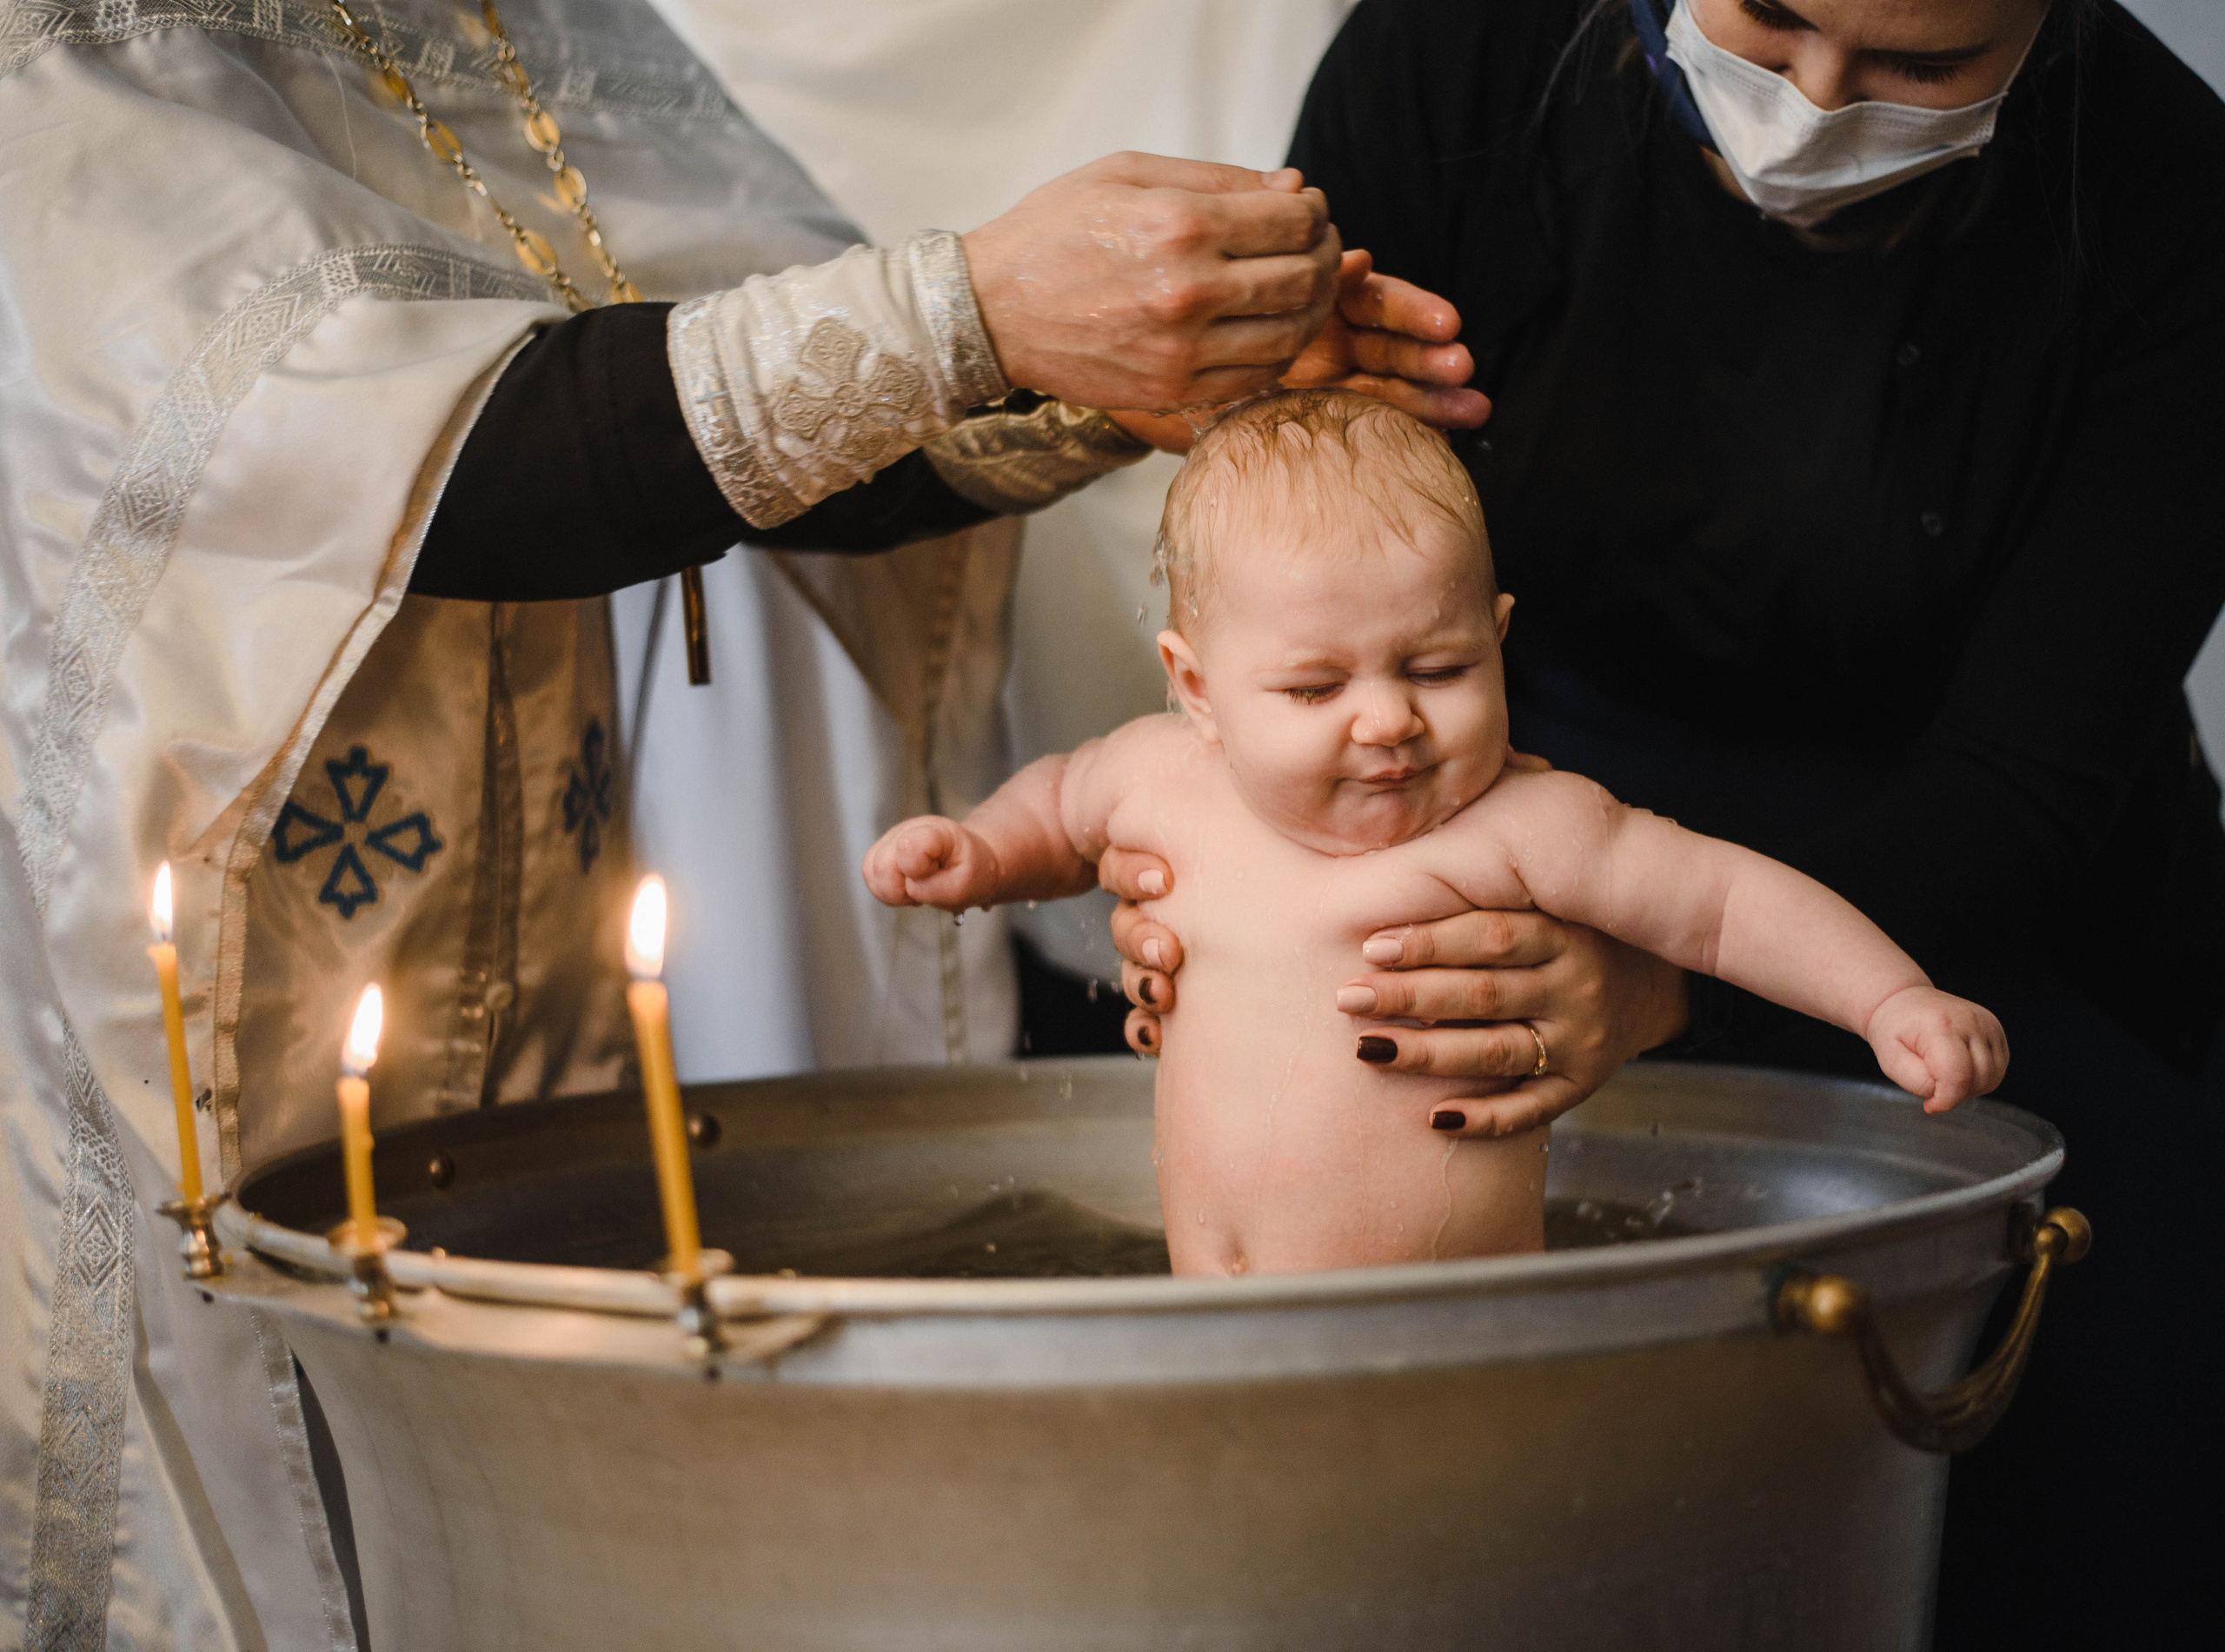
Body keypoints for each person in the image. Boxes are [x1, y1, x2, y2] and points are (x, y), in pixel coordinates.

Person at [0, 1, 1484, 1642]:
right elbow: (389, 457)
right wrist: (976, 307)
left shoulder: (507, 19)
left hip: (524, 924)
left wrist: (1108, 376)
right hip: (167, 968)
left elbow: (728, 399)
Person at [1106, 0, 2225, 1640]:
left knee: (2061, 1535)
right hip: (1502, 829)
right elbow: (1307, 557)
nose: (1820, 102)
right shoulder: (1455, 55)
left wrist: (1662, 971)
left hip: (1992, 897)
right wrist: (1238, 888)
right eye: (1769, 22)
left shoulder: (2174, 202)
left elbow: (2030, 772)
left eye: (1922, 71)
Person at [867, 391, 2008, 1273]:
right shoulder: (1160, 778)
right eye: (1314, 689)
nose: (1387, 719)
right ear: (1197, 686)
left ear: (1496, 635)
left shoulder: (1524, 825)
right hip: (1213, 1324)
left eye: (1440, 666)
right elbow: (1061, 804)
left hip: (1455, 1334)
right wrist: (978, 852)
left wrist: (1888, 998)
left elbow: (1724, 905)